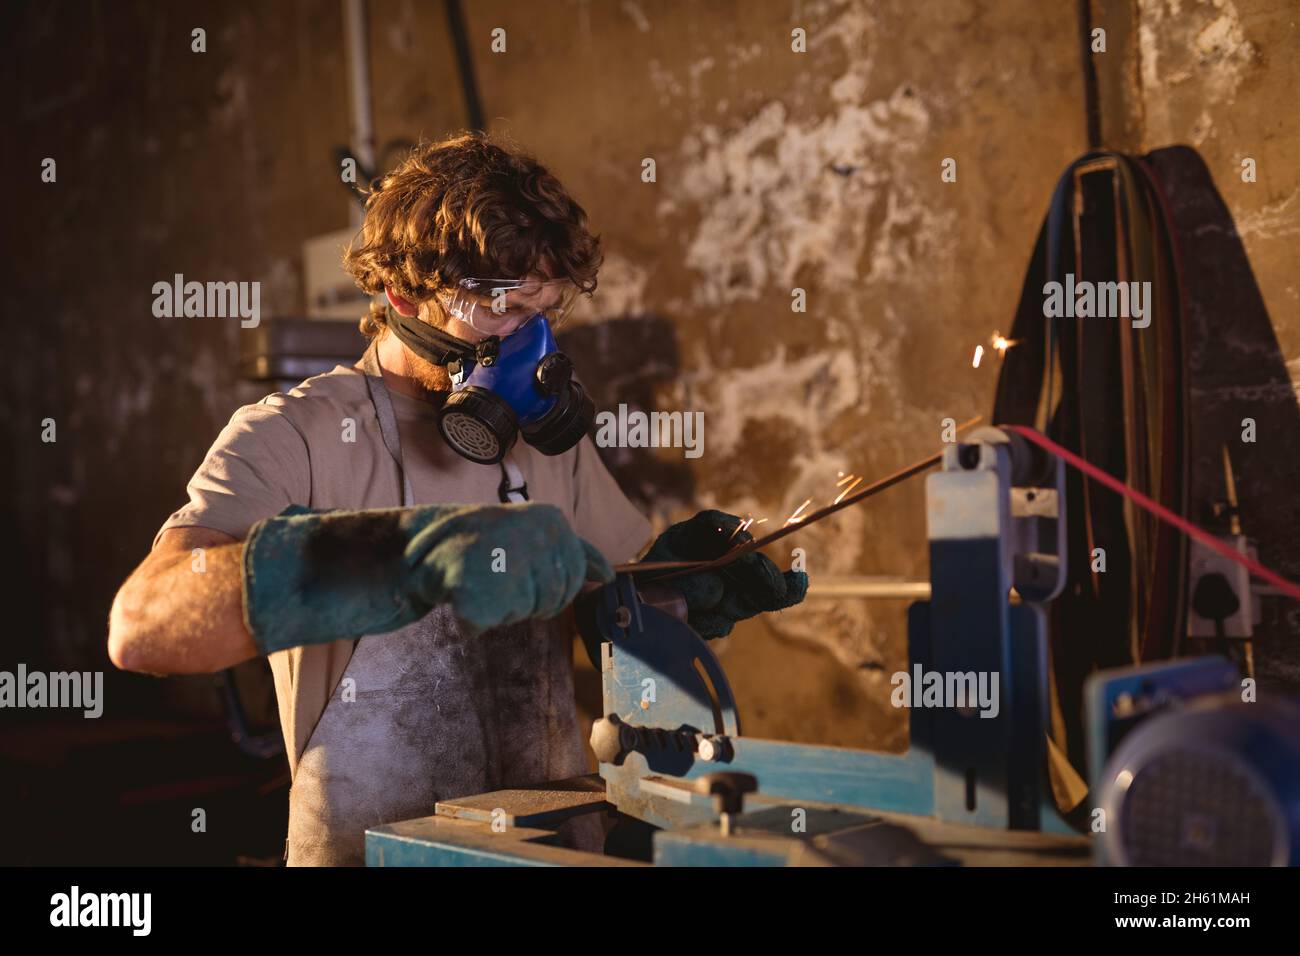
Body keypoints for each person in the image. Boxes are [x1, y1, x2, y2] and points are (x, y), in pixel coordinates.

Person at [108, 132, 807, 865]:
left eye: (544, 313)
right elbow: (144, 627)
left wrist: (676, 594)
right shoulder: (297, 435)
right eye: (501, 311)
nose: (528, 344)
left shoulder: (541, 443)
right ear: (402, 293)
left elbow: (622, 618)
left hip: (552, 848)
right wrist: (399, 560)